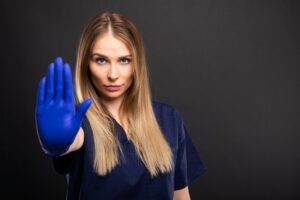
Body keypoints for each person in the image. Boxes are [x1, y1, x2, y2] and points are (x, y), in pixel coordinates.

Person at [35, 11, 206, 200]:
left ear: (137, 64)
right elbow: (73, 141)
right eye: (101, 60)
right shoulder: (76, 123)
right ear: (86, 64)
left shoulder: (169, 119)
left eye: (124, 60)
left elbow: (181, 196)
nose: (113, 74)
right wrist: (57, 145)